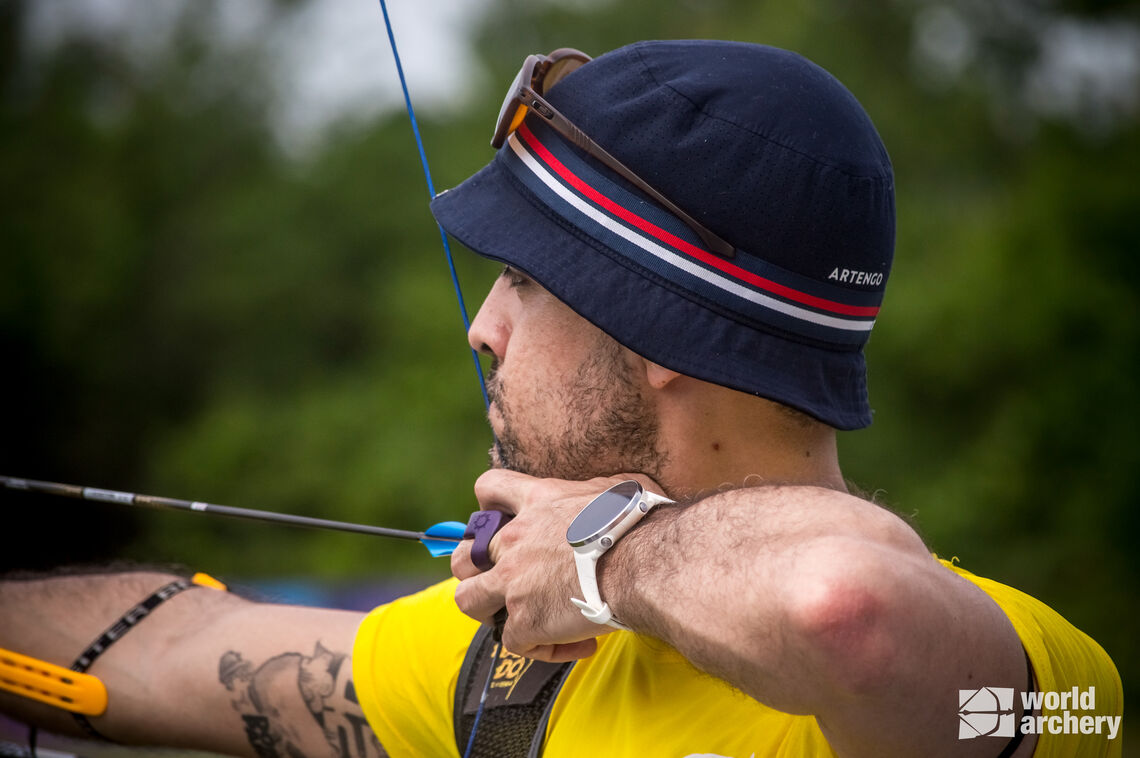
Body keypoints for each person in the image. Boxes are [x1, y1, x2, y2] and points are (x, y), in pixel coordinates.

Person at [0, 40, 1121, 758]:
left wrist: (600, 554)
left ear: (666, 333)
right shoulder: (517, 670)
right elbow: (169, 650)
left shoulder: (1060, 692)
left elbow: (849, 609)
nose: (480, 324)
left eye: (527, 281)